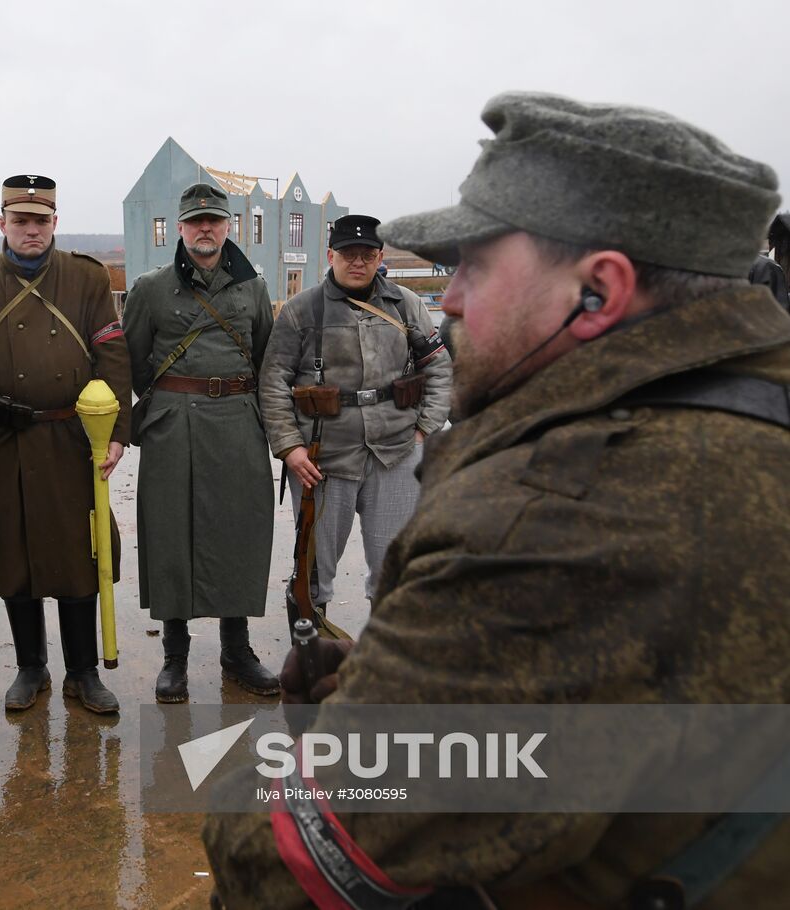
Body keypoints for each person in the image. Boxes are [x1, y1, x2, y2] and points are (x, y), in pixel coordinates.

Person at [204, 91, 790, 908]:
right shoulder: (749, 410)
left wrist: (273, 762)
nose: (447, 296)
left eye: (475, 264)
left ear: (601, 291)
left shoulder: (559, 515)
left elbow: (287, 850)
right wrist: (405, 677)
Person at [0, 175, 132, 715]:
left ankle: (83, 672)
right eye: (21, 221)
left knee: (80, 555)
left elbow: (112, 355)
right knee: (14, 558)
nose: (31, 230)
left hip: (72, 440)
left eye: (41, 221)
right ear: (1, 222)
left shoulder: (87, 278)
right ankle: (31, 667)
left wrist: (116, 433)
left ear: (55, 222)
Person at [121, 182, 280, 703]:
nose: (205, 228)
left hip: (238, 421)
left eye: (214, 219)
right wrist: (172, 401)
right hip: (174, 423)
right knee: (171, 534)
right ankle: (175, 655)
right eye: (195, 221)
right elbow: (134, 362)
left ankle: (237, 649)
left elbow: (265, 359)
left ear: (228, 225)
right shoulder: (151, 287)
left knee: (239, 531)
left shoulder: (253, 287)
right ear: (181, 228)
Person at [259, 213, 451, 624]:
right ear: (331, 255)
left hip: (396, 453)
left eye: (367, 253)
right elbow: (273, 382)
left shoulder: (407, 304)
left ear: (380, 255)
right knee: (313, 573)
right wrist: (289, 447)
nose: (357, 261)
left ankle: (386, 671)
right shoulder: (301, 310)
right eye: (348, 253)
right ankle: (310, 669)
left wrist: (424, 429)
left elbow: (438, 368)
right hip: (322, 459)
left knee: (395, 569)